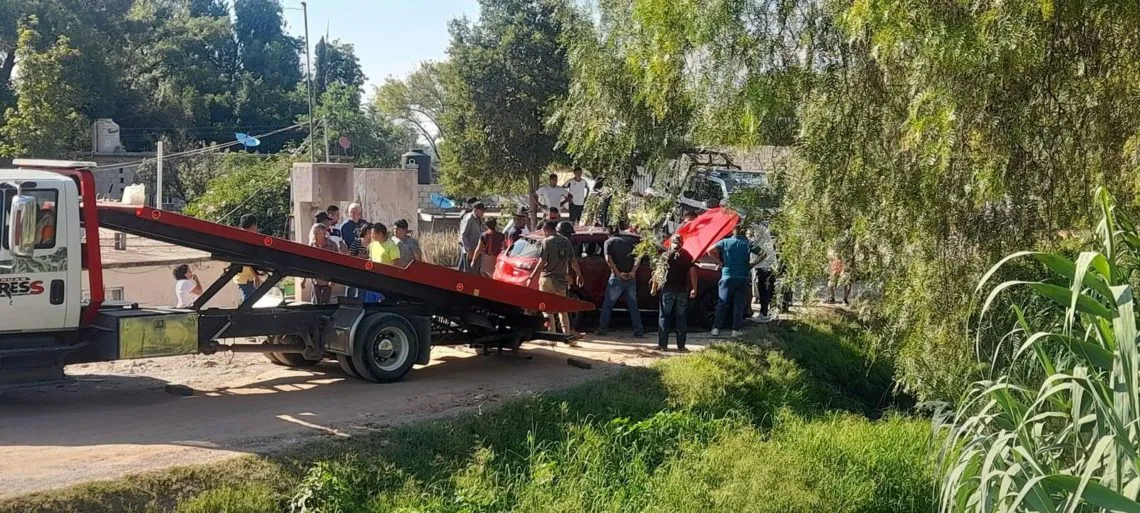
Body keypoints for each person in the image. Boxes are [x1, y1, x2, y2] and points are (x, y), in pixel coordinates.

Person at [526, 220, 583, 342]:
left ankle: (551, 335)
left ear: (546, 229)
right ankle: (567, 335)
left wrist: (531, 276)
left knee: (547, 309)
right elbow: (573, 261)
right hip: (561, 281)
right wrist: (579, 275)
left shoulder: (546, 242)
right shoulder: (566, 242)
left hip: (546, 279)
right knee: (562, 309)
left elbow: (541, 262)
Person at [708, 224, 759, 337]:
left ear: (732, 231)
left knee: (722, 303)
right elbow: (763, 254)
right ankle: (735, 330)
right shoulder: (748, 244)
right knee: (738, 305)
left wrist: (719, 262)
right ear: (743, 232)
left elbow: (710, 250)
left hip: (727, 275)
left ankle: (716, 328)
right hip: (743, 276)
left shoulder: (725, 242)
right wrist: (752, 264)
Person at [597, 222, 644, 337]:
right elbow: (639, 256)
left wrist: (617, 273)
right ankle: (638, 331)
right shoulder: (631, 241)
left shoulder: (608, 242)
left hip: (617, 278)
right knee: (633, 305)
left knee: (608, 305)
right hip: (631, 278)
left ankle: (602, 329)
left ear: (609, 233)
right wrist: (633, 271)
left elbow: (608, 259)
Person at [652, 234, 697, 351]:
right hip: (681, 291)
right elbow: (693, 273)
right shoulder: (687, 256)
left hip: (667, 291)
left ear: (671, 243)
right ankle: (681, 346)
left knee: (664, 318)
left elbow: (658, 273)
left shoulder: (665, 256)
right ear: (681, 244)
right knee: (681, 318)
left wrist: (653, 287)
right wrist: (694, 288)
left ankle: (662, 345)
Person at [308, 224, 342, 304]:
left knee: (325, 304)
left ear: (324, 233)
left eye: (318, 233)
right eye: (315, 233)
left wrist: (333, 279)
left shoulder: (332, 245)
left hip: (327, 279)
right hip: (315, 279)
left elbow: (336, 263)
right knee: (315, 303)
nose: (316, 235)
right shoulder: (312, 245)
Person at [751, 224, 777, 322]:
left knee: (764, 290)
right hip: (766, 265)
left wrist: (752, 264)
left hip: (764, 266)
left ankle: (764, 314)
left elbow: (759, 251)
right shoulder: (765, 236)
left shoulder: (760, 234)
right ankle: (765, 313)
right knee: (765, 289)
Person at [233, 215, 261, 301]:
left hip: (243, 277)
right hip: (246, 279)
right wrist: (256, 276)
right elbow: (247, 261)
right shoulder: (245, 239)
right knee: (249, 303)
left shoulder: (238, 236)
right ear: (253, 226)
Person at [458, 202, 486, 273]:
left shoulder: (478, 219)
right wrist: (469, 249)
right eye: (481, 210)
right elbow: (463, 235)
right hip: (469, 252)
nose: (483, 212)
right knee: (468, 272)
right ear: (475, 210)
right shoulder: (469, 218)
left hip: (476, 251)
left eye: (483, 210)